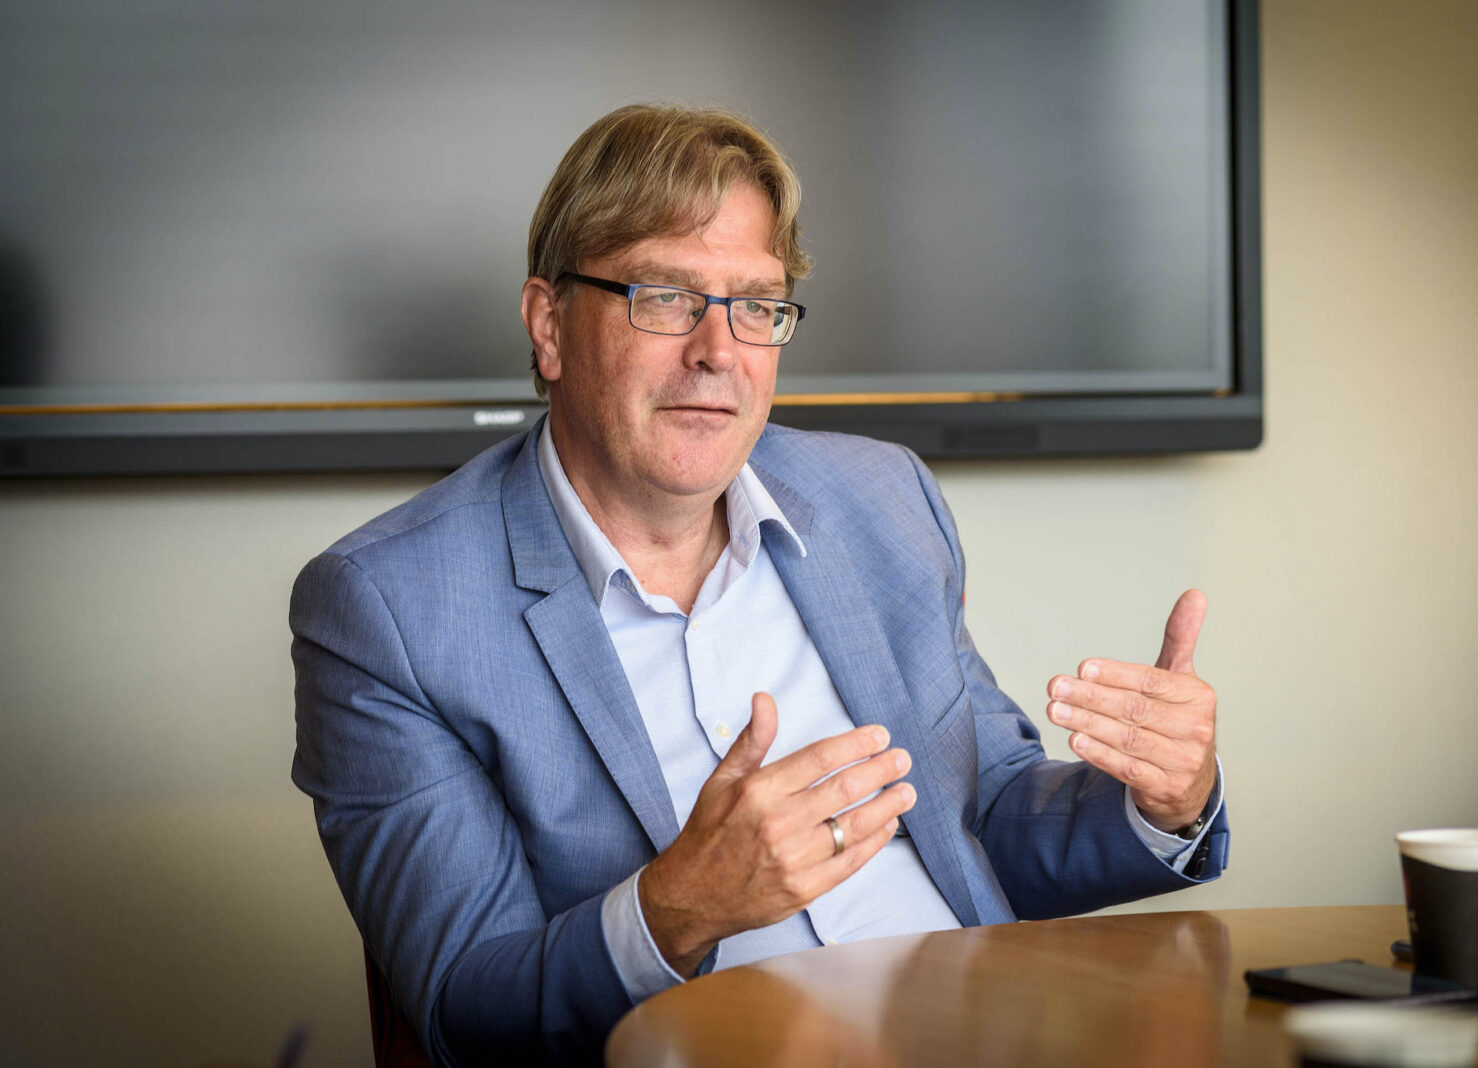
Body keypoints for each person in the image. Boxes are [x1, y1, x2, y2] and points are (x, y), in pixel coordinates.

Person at [291, 104, 1228, 1066]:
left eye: (756, 305)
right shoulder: (386, 611)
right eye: (665, 297)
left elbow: (982, 817)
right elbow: (466, 1013)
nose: (718, 351)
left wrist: (1162, 803)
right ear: (550, 325)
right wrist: (679, 907)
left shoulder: (882, 500)